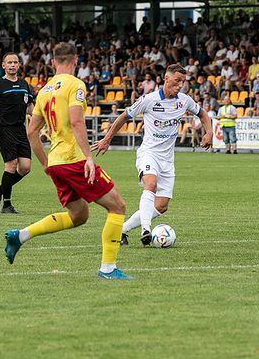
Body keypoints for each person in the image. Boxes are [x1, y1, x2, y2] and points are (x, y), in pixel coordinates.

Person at [3, 42, 130, 280]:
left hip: (56, 162)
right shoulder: (75, 85)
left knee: (79, 216)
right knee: (118, 206)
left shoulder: (44, 90)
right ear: (76, 61)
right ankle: (108, 269)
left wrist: (44, 163)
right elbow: (76, 122)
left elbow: (31, 132)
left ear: (53, 62)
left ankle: (20, 236)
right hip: (74, 159)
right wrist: (89, 158)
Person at [91, 64, 213, 246]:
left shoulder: (184, 101)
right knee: (151, 183)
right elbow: (124, 116)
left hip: (167, 159)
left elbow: (203, 114)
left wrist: (209, 132)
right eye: (177, 81)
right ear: (166, 78)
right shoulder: (149, 99)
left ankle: (122, 230)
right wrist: (107, 139)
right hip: (148, 153)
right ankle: (146, 230)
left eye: (183, 82)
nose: (180, 85)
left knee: (162, 206)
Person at [0, 53, 33, 213]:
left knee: (25, 167)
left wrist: (44, 118)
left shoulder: (25, 84)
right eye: (9, 62)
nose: (12, 65)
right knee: (11, 165)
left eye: (15, 62)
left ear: (19, 65)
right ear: (3, 65)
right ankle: (7, 205)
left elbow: (31, 108)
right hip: (5, 129)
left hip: (20, 130)